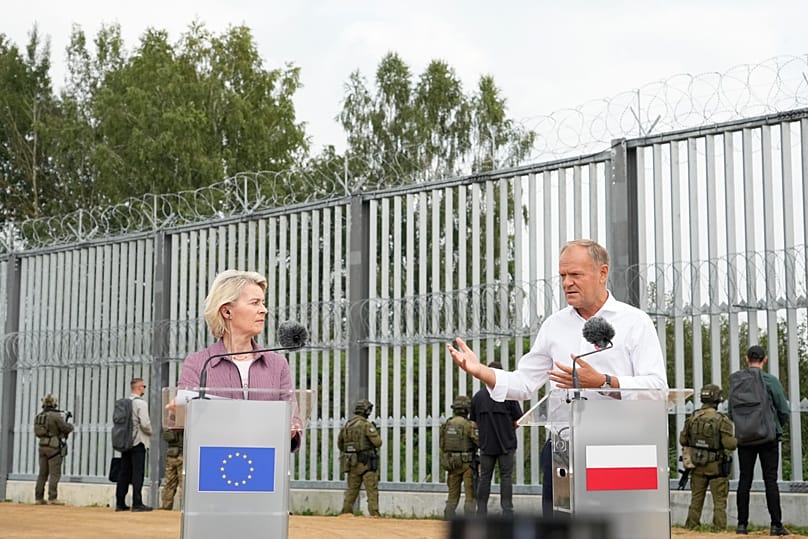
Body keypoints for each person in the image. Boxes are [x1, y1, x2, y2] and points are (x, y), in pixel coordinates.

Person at [447, 239, 668, 515]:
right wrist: (482, 371)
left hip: (619, 447)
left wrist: (605, 382)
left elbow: (658, 388)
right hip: (562, 448)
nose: (567, 283)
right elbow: (524, 383)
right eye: (563, 275)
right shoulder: (554, 326)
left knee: (619, 528)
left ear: (602, 273)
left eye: (576, 275)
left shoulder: (634, 322)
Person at [177, 270, 302, 451]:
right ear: (227, 311)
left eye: (263, 303)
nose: (264, 310)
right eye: (255, 303)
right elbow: (186, 425)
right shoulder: (199, 363)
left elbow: (293, 419)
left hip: (265, 466)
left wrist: (292, 428)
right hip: (215, 467)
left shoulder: (277, 364)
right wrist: (181, 411)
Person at [729, 345, 790, 536]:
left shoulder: (738, 381)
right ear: (765, 359)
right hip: (768, 438)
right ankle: (776, 525)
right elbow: (783, 410)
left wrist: (745, 426)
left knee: (744, 480)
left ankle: (741, 525)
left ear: (746, 359)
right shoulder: (771, 381)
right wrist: (774, 426)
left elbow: (731, 412)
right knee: (770, 480)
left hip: (745, 438)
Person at [679, 384, 737, 530]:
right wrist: (739, 439)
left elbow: (683, 440)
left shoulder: (693, 418)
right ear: (718, 399)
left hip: (697, 466)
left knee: (696, 500)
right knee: (719, 502)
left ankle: (690, 528)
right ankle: (718, 530)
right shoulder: (722, 420)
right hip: (717, 467)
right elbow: (730, 445)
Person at [470, 363, 523, 516]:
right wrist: (507, 429)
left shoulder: (478, 397)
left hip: (486, 444)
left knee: (485, 477)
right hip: (507, 443)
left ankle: (481, 511)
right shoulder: (508, 395)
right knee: (506, 477)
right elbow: (518, 421)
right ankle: (507, 511)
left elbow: (474, 423)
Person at [338, 399, 382, 516]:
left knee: (352, 490)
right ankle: (374, 513)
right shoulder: (366, 425)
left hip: (352, 462)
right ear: (366, 411)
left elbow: (340, 444)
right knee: (371, 489)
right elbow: (378, 443)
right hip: (367, 462)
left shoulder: (347, 425)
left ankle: (346, 512)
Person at [115, 377, 153, 512]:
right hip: (138, 441)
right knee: (138, 472)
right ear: (139, 388)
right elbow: (145, 423)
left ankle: (120, 502)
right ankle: (137, 503)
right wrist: (151, 432)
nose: (144, 389)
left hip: (125, 441)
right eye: (144, 386)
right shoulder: (141, 404)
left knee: (124, 472)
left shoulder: (124, 403)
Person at [440, 395, 479, 519]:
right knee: (470, 495)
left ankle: (449, 516)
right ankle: (469, 518)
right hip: (467, 464)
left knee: (452, 495)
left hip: (451, 463)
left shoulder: (447, 424)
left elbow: (442, 444)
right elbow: (477, 441)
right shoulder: (468, 425)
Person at [33, 394, 74, 505]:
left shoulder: (39, 416)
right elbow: (65, 428)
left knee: (42, 474)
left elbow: (36, 432)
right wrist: (71, 426)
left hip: (42, 446)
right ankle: (52, 497)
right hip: (54, 447)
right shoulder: (56, 416)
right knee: (54, 474)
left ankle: (38, 497)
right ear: (54, 403)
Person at [161, 429, 183, 510]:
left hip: (171, 454)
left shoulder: (170, 422)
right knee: (183, 484)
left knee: (169, 484)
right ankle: (184, 507)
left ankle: (166, 507)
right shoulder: (188, 422)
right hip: (182, 454)